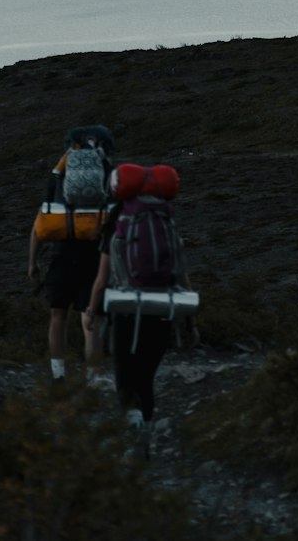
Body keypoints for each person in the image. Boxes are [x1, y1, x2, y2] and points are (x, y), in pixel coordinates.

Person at [85, 201, 197, 455]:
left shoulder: (115, 234)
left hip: (125, 313)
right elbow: (183, 280)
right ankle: (145, 435)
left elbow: (101, 281)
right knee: (146, 379)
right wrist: (192, 323)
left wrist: (93, 311)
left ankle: (133, 426)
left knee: (125, 378)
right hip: (161, 312)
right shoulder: (168, 230)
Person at [28, 171, 104, 383]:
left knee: (58, 317)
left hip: (60, 259)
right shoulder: (99, 175)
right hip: (92, 259)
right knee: (89, 320)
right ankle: (93, 378)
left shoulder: (56, 178)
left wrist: (32, 263)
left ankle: (59, 374)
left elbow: (38, 225)